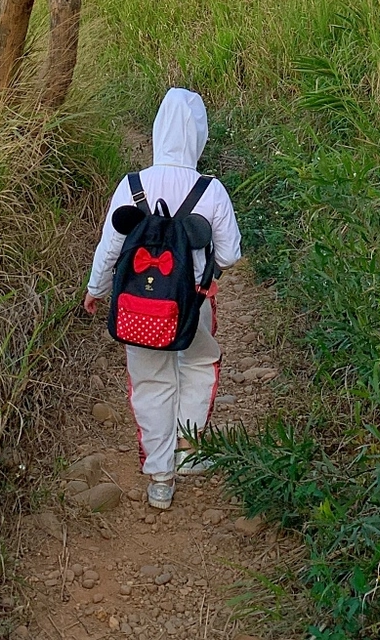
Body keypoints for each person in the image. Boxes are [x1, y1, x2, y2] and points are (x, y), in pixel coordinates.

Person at [82, 88, 242, 510]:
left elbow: (110, 248)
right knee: (200, 363)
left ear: (157, 132)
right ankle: (188, 451)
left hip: (140, 307)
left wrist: (96, 289)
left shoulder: (132, 185)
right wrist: (208, 271)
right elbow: (229, 254)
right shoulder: (211, 189)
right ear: (200, 135)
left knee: (150, 381)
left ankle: (159, 478)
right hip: (194, 303)